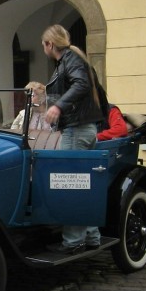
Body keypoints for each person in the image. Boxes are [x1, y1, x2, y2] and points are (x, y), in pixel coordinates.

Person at [41, 25, 104, 254]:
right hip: (84, 129)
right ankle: (92, 235)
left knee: (70, 186)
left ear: (50, 44)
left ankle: (73, 241)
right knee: (83, 186)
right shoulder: (73, 59)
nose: (43, 48)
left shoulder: (70, 60)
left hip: (76, 131)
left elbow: (82, 85)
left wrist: (58, 106)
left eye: (43, 44)